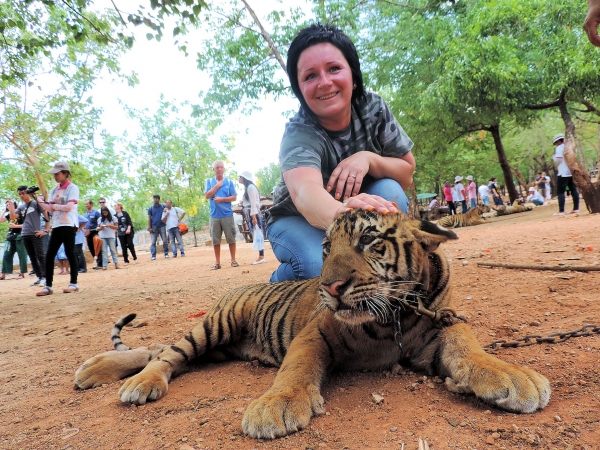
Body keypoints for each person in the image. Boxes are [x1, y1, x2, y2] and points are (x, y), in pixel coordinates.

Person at [266, 24, 414, 282]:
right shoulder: (299, 132)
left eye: (334, 69)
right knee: (315, 266)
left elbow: (406, 174)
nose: (324, 82)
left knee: (390, 191)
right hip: (294, 218)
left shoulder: (373, 108)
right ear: (299, 89)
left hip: (354, 216)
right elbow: (304, 193)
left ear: (353, 76)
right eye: (310, 76)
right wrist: (342, 215)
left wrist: (370, 159)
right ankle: (274, 290)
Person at [35, 161, 80, 296]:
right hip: (57, 225)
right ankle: (48, 286)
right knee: (50, 254)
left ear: (65, 173)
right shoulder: (54, 190)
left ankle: (74, 283)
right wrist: (40, 202)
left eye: (57, 173)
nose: (55, 176)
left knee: (70, 252)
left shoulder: (72, 188)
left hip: (69, 224)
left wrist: (55, 207)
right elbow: (50, 208)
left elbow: (69, 207)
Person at [204, 160, 238, 270]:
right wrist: (217, 186)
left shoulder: (229, 182)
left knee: (231, 238)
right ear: (213, 169)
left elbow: (234, 197)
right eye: (217, 167)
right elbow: (207, 195)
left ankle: (233, 260)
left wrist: (222, 199)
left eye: (221, 167)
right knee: (215, 240)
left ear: (223, 169)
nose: (219, 169)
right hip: (214, 216)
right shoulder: (209, 182)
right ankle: (217, 263)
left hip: (227, 215)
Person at [14, 186, 49, 285]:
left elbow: (47, 216)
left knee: (40, 255)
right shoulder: (21, 207)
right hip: (25, 234)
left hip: (35, 233)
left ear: (28, 193)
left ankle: (46, 277)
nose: (21, 195)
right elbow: (13, 216)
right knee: (32, 257)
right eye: (19, 194)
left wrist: (45, 231)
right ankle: (39, 276)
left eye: (23, 193)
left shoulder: (36, 203)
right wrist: (11, 206)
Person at [239, 171, 266, 264]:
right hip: (250, 213)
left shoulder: (250, 188)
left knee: (258, 232)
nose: (239, 178)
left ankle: (261, 256)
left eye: (240, 177)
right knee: (256, 233)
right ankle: (261, 255)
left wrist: (254, 217)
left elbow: (253, 204)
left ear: (244, 178)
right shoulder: (248, 188)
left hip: (252, 213)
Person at [551, 133, 581, 216]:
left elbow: (558, 160)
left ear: (558, 141)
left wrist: (553, 156)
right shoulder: (571, 147)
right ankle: (576, 208)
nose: (556, 144)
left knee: (560, 192)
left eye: (556, 143)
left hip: (563, 172)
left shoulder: (559, 148)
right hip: (571, 171)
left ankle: (561, 211)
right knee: (573, 189)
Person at [0, 200, 28, 281]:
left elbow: (26, 225)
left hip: (20, 236)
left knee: (22, 255)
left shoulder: (20, 213)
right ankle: (3, 273)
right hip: (10, 237)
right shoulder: (8, 215)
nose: (8, 206)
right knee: (6, 255)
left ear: (14, 205)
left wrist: (15, 226)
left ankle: (22, 273)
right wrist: (4, 211)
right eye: (7, 205)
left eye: (9, 204)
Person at [147, 194, 168, 260]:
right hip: (154, 226)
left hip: (162, 226)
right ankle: (153, 255)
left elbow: (168, 210)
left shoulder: (163, 206)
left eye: (157, 198)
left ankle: (166, 253)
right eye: (154, 198)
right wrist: (149, 227)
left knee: (165, 240)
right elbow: (149, 218)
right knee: (153, 242)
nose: (155, 200)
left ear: (159, 199)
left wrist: (166, 209)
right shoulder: (150, 208)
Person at [83, 200, 103, 269]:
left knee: (97, 247)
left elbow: (100, 221)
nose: (86, 205)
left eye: (87, 204)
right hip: (87, 233)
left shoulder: (96, 213)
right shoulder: (85, 214)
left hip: (94, 232)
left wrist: (99, 231)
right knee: (91, 248)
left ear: (91, 204)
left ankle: (100, 263)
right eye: (85, 204)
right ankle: (97, 261)